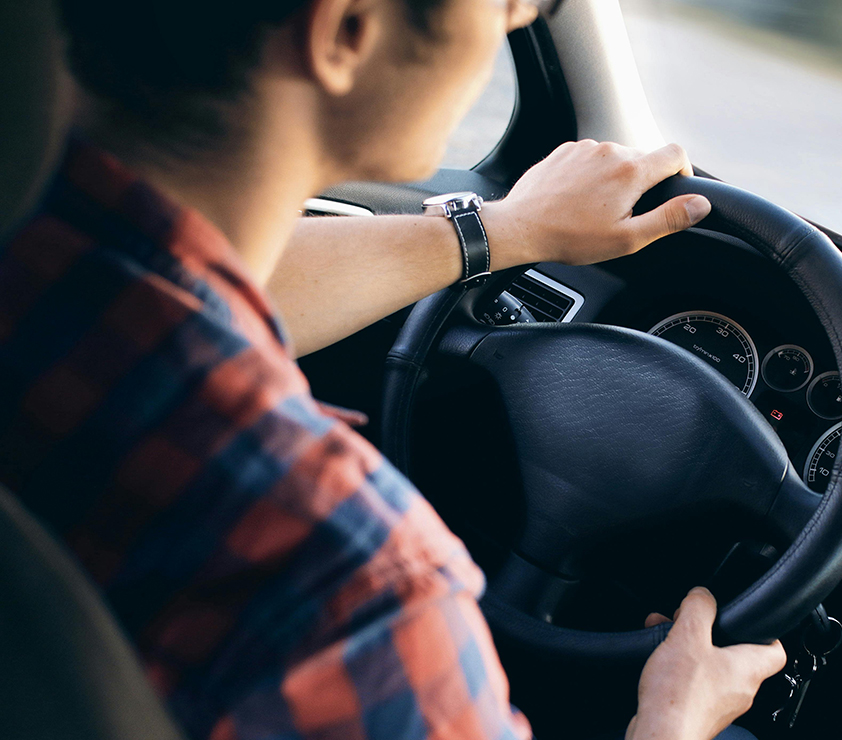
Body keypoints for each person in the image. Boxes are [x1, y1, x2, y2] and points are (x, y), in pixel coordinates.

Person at [0, 0, 789, 739]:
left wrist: (506, 230)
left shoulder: (41, 255)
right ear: (346, 29)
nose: (518, 14)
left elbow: (200, 283)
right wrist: (673, 720)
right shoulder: (351, 592)